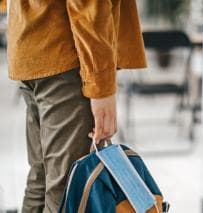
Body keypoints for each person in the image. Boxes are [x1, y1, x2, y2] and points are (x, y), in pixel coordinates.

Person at [7, 0, 146, 212]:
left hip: (32, 42)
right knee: (66, 192)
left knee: (41, 183)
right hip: (67, 52)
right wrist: (100, 84)